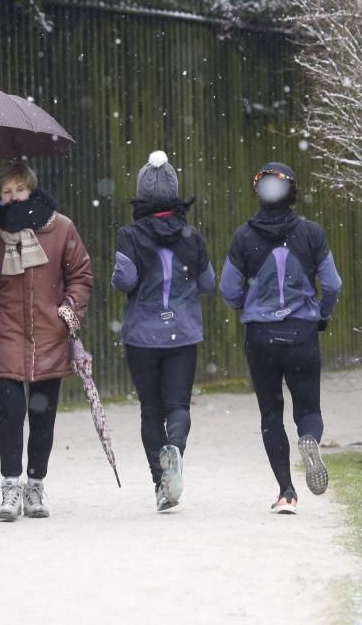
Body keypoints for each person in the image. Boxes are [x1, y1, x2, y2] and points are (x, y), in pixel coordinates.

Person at [220, 162, 342, 515]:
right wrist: (321, 314)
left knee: (271, 414)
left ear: (259, 193)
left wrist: (248, 305)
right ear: (293, 192)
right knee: (309, 410)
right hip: (302, 333)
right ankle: (309, 440)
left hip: (261, 337)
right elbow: (333, 283)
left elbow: (228, 288)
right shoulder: (312, 233)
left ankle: (286, 492)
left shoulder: (244, 236)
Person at [0, 162, 93, 522]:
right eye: (6, 191)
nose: (13, 197)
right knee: (10, 412)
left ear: (31, 189)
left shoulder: (60, 228)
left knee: (43, 416)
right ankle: (10, 488)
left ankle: (35, 485)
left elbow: (81, 275)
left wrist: (68, 311)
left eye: (19, 190)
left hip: (48, 334)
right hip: (6, 331)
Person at [111, 151, 215, 511]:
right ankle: (176, 450)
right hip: (183, 334)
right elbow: (208, 283)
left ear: (140, 195)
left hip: (143, 336)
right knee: (178, 404)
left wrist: (118, 273)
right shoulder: (192, 236)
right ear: (174, 194)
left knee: (150, 409)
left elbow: (126, 281)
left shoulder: (130, 235)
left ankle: (160, 483)